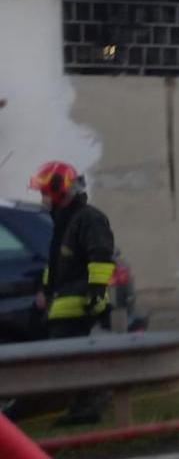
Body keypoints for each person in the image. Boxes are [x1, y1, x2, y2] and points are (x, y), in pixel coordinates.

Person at [29, 161, 116, 425]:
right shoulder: (64, 221)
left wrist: (96, 292)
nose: (43, 198)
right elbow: (57, 264)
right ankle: (83, 407)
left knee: (77, 360)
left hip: (80, 305)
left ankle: (88, 408)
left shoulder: (88, 218)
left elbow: (100, 255)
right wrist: (46, 290)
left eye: (45, 192)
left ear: (61, 190)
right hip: (63, 305)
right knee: (71, 361)